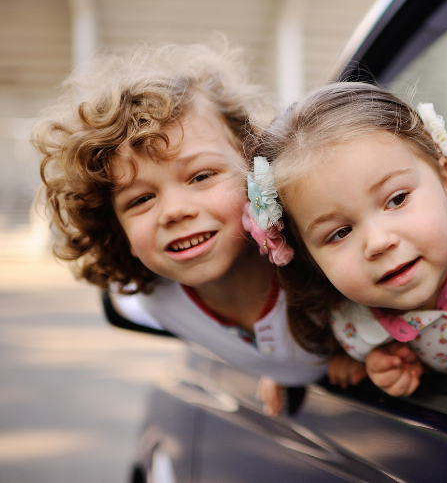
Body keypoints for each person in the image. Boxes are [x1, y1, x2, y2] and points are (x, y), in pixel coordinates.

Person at [32, 42, 327, 415]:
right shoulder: (158, 301)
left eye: (201, 176)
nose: (172, 211)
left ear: (256, 166)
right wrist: (284, 369)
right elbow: (275, 345)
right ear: (116, 231)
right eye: (139, 200)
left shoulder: (322, 258)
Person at [250, 82, 447, 397]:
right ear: (309, 257)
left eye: (396, 199)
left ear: (446, 182)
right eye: (339, 233)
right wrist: (388, 368)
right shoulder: (356, 331)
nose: (378, 242)